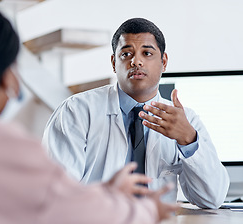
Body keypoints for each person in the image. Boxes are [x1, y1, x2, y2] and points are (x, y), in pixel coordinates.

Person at [0, 5, 178, 224]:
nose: (16, 87)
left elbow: (50, 201)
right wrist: (147, 211)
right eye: (13, 67)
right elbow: (74, 222)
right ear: (1, 75)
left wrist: (103, 194)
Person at [42, 18, 230, 209]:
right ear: (114, 63)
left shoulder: (185, 121)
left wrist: (188, 139)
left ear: (163, 62)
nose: (136, 61)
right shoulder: (76, 111)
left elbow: (212, 199)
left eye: (147, 53)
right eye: (126, 54)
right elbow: (57, 194)